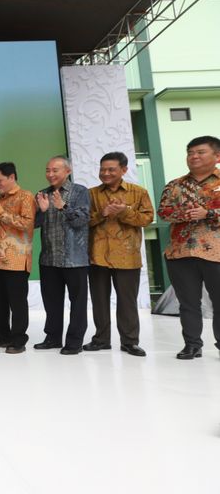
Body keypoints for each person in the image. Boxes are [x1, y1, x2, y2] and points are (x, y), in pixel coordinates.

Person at [85, 152, 154, 356]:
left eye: (111, 169)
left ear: (124, 170)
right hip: (97, 255)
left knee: (127, 301)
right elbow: (83, 222)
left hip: (127, 256)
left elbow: (147, 219)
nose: (105, 173)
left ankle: (130, 341)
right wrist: (102, 214)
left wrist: (124, 212)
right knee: (99, 300)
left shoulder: (138, 192)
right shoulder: (91, 194)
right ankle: (101, 339)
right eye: (102, 169)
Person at [158, 135, 220, 360]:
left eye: (200, 152)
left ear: (217, 156)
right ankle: (192, 345)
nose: (194, 156)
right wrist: (183, 213)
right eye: (190, 152)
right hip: (180, 251)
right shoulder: (175, 185)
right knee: (188, 303)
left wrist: (209, 213)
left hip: (216, 252)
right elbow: (163, 212)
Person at [33, 156, 91, 355]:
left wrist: (63, 207)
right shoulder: (42, 194)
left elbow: (82, 220)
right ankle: (52, 337)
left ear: (67, 171)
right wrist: (41, 211)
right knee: (52, 302)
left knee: (78, 302)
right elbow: (33, 224)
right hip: (49, 258)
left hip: (74, 259)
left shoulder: (80, 192)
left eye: (55, 170)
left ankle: (74, 341)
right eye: (48, 170)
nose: (50, 174)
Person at [0, 162, 35, 354]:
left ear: (11, 177)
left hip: (16, 259)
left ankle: (18, 339)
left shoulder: (25, 196)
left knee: (17, 302)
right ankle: (2, 335)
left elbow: (26, 225)